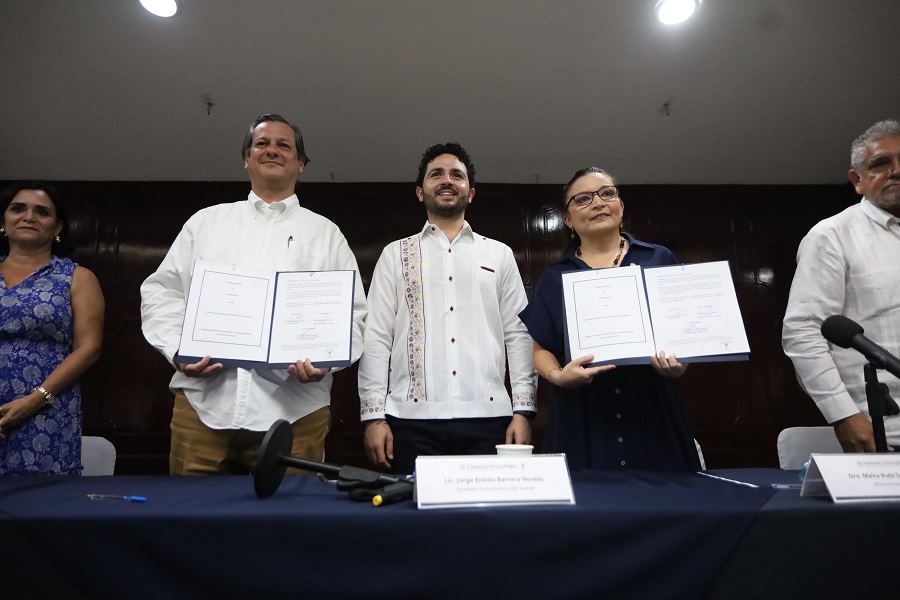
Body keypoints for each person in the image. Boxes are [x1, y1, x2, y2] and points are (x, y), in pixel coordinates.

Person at [140, 114, 367, 475]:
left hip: (296, 413)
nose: (272, 150)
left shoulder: (326, 235)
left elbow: (353, 315)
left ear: (301, 163)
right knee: (191, 522)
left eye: (284, 145)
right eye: (262, 144)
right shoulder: (205, 223)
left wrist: (327, 360)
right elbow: (162, 292)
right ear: (247, 158)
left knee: (288, 525)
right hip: (204, 405)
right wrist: (179, 350)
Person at [358, 142, 537, 474]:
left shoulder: (499, 254)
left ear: (470, 193)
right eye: (436, 174)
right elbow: (376, 337)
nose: (447, 180)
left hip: (490, 418)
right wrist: (373, 415)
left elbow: (518, 335)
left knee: (486, 522)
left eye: (457, 175)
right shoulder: (395, 254)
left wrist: (523, 410)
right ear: (419, 191)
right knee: (413, 522)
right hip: (409, 422)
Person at [518, 167, 700, 471]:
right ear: (567, 219)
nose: (599, 203)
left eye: (607, 194)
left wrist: (679, 366)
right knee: (586, 512)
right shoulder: (554, 277)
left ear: (621, 205)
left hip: (651, 407)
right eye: (584, 199)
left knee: (667, 504)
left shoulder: (659, 259)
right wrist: (558, 376)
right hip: (582, 414)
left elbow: (681, 329)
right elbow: (541, 349)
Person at [783, 119, 900, 452]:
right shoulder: (833, 235)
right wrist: (844, 415)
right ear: (857, 181)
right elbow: (803, 332)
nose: (896, 171)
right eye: (880, 164)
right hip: (885, 437)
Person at [0, 181, 105, 475]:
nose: (28, 217)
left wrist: (36, 399)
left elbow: (89, 348)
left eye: (42, 212)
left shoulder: (77, 277)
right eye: (18, 209)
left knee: (38, 506)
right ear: (3, 220)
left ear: (58, 228)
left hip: (45, 410)